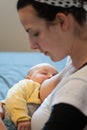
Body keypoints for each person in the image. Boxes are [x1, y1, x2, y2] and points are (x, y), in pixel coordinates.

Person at [16, 0, 87, 130]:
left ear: (62, 21)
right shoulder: (76, 60)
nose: (32, 45)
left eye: (36, 33)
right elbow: (41, 91)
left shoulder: (80, 86)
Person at [2, 63, 58, 130]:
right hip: (10, 119)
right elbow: (14, 97)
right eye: (44, 73)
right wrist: (21, 118)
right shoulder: (28, 84)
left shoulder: (55, 92)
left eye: (55, 75)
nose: (50, 76)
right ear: (28, 78)